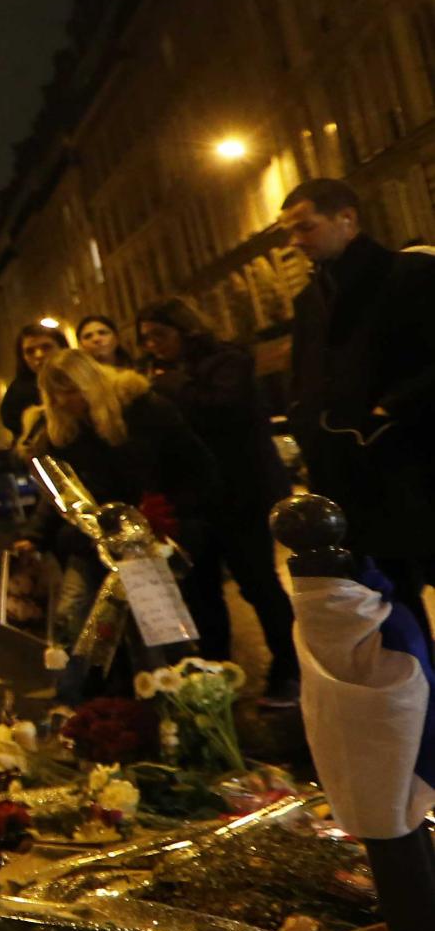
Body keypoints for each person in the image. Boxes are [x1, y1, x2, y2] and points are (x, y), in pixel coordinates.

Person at [280, 178, 435, 635]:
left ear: (346, 219)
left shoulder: (408, 276)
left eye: (305, 228)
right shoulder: (310, 299)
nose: (295, 242)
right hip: (354, 476)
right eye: (290, 231)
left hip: (417, 461)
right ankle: (420, 696)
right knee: (390, 598)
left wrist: (389, 411)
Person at [137, 297, 299, 699]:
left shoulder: (227, 361)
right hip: (193, 501)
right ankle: (213, 674)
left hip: (241, 493)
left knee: (257, 583)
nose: (153, 345)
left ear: (184, 329)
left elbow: (224, 411)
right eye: (146, 339)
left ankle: (289, 667)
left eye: (160, 334)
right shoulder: (157, 374)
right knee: (202, 592)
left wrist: (174, 386)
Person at [9, 349, 217, 657]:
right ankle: (76, 697)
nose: (65, 401)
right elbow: (60, 492)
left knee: (159, 624)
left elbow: (193, 465)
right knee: (74, 615)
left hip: (154, 533)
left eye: (71, 391)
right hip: (94, 540)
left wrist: (173, 515)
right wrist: (34, 535)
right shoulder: (62, 431)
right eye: (56, 395)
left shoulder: (142, 409)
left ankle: (178, 689)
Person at [0, 325, 66, 445]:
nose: (39, 355)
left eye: (46, 347)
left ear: (62, 348)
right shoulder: (17, 395)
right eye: (30, 351)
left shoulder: (84, 379)